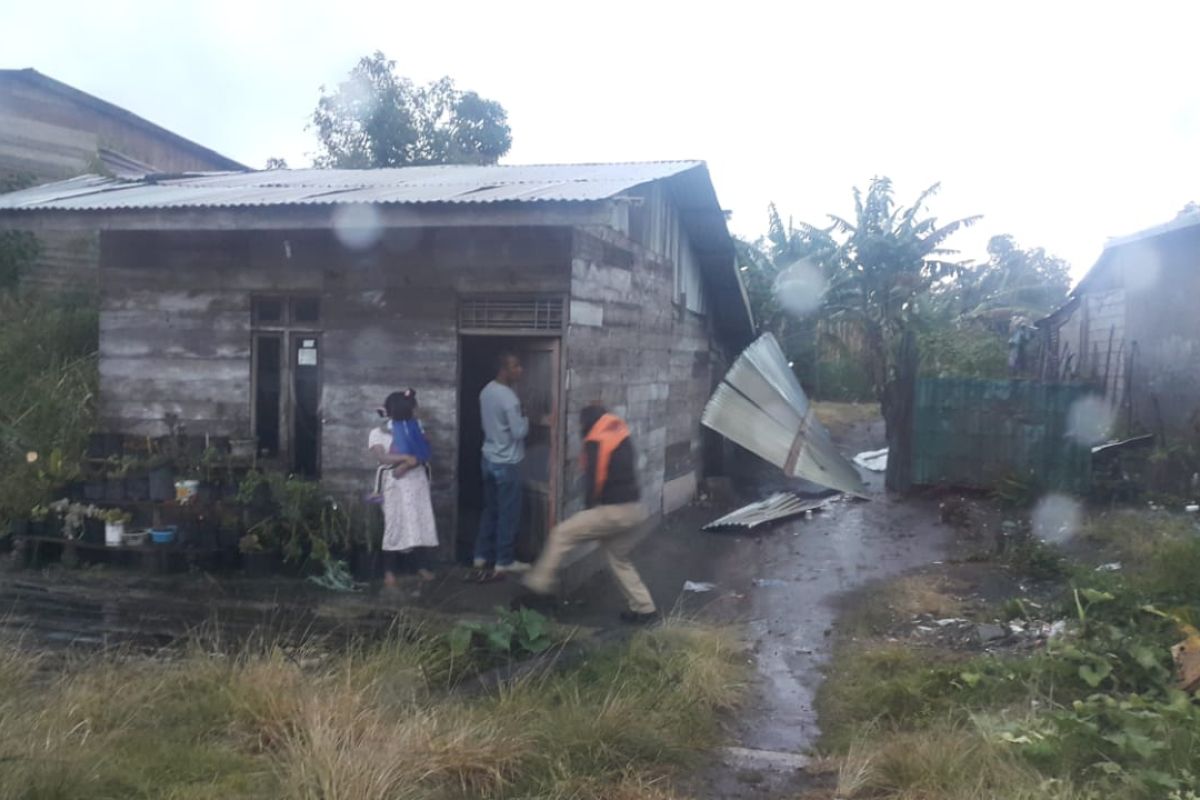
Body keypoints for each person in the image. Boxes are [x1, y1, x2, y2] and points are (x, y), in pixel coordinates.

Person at [523, 404, 657, 624]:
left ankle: (539, 589)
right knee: (617, 557)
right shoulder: (618, 432)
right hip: (635, 509)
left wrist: (589, 508)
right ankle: (645, 609)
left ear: (588, 421)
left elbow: (596, 478)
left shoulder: (596, 438)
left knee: (561, 534)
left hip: (614, 510)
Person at [368, 389, 438, 587]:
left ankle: (420, 566)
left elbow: (423, 451)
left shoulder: (416, 428)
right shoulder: (379, 432)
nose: (417, 411)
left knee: (418, 520)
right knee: (395, 523)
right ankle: (389, 571)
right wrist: (404, 458)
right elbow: (382, 457)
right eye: (413, 408)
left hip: (416, 479)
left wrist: (410, 462)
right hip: (393, 483)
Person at [473, 351, 533, 576]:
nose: (520, 370)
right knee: (508, 513)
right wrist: (526, 415)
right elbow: (519, 432)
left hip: (488, 458)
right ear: (503, 369)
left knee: (490, 510)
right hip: (507, 462)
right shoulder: (509, 398)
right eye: (515, 366)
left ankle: (481, 556)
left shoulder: (486, 391)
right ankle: (504, 561)